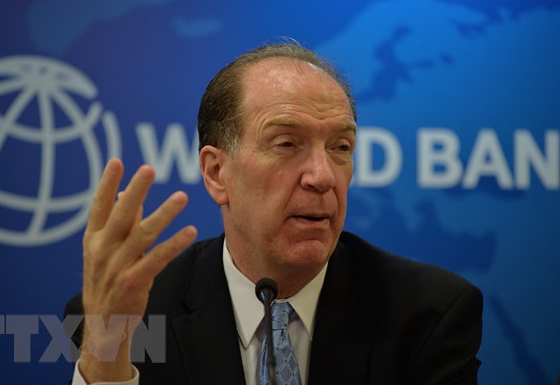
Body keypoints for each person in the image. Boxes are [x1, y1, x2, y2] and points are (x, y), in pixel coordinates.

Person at [66, 42, 483, 384]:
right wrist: (105, 359)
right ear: (216, 173)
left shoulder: (427, 314)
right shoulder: (131, 317)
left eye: (340, 147)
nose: (323, 176)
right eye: (287, 144)